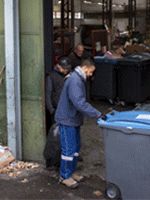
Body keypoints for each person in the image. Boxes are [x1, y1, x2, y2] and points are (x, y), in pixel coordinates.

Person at [55, 59, 107, 189]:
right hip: (67, 120)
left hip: (73, 118)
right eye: (90, 71)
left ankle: (71, 172)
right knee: (69, 149)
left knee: (76, 147)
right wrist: (97, 114)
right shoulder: (75, 80)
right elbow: (79, 102)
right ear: (84, 67)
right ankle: (65, 176)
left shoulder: (78, 78)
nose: (90, 74)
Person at [45, 56, 71, 128]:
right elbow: (48, 93)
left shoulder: (71, 75)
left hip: (69, 109)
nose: (65, 70)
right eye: (63, 68)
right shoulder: (51, 76)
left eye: (67, 68)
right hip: (56, 110)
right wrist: (51, 110)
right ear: (58, 65)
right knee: (56, 132)